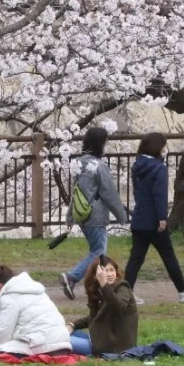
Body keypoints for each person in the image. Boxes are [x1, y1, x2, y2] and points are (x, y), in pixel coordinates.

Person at [124, 132, 184, 303]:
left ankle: (125, 293)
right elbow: (159, 195)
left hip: (140, 218)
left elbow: (139, 193)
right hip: (153, 221)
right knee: (168, 255)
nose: (165, 150)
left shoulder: (137, 166)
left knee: (135, 258)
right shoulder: (159, 169)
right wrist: (162, 217)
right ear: (158, 148)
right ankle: (183, 290)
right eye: (164, 146)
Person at [61, 127, 128, 301]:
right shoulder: (99, 165)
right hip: (96, 214)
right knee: (98, 253)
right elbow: (109, 192)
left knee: (97, 252)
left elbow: (77, 192)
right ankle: (72, 277)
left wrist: (70, 216)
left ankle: (96, 286)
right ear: (101, 144)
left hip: (82, 213)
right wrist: (121, 215)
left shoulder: (79, 163)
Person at [0, 265, 72, 360]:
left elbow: (2, 337)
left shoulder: (8, 298)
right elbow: (27, 322)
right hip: (61, 341)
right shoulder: (34, 290)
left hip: (42, 346)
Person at [66, 255, 138, 355]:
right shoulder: (101, 290)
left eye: (112, 270)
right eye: (105, 271)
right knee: (63, 333)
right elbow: (95, 317)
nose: (109, 274)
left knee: (61, 341)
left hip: (114, 348)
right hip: (97, 340)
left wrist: (104, 284)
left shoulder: (123, 288)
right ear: (95, 275)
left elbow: (118, 307)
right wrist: (73, 325)